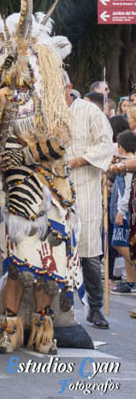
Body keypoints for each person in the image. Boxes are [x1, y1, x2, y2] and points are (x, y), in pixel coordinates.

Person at [0, 0, 83, 354]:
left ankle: (42, 329)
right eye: (14, 78)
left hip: (53, 190)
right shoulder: (1, 101)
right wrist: (1, 108)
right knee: (19, 261)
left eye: (27, 79)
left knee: (48, 267)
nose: (20, 82)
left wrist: (23, 156)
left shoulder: (52, 99)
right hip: (15, 193)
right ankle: (8, 328)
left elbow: (60, 140)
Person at [68, 76, 114, 329]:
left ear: (67, 88)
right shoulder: (46, 110)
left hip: (85, 187)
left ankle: (95, 308)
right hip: (52, 188)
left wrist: (78, 161)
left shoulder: (90, 112)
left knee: (88, 251)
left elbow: (105, 144)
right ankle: (54, 308)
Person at [108, 131, 136, 293]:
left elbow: (128, 192)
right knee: (126, 244)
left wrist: (121, 212)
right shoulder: (126, 162)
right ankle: (131, 280)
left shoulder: (129, 166)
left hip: (126, 213)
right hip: (126, 211)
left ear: (120, 147)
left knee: (118, 243)